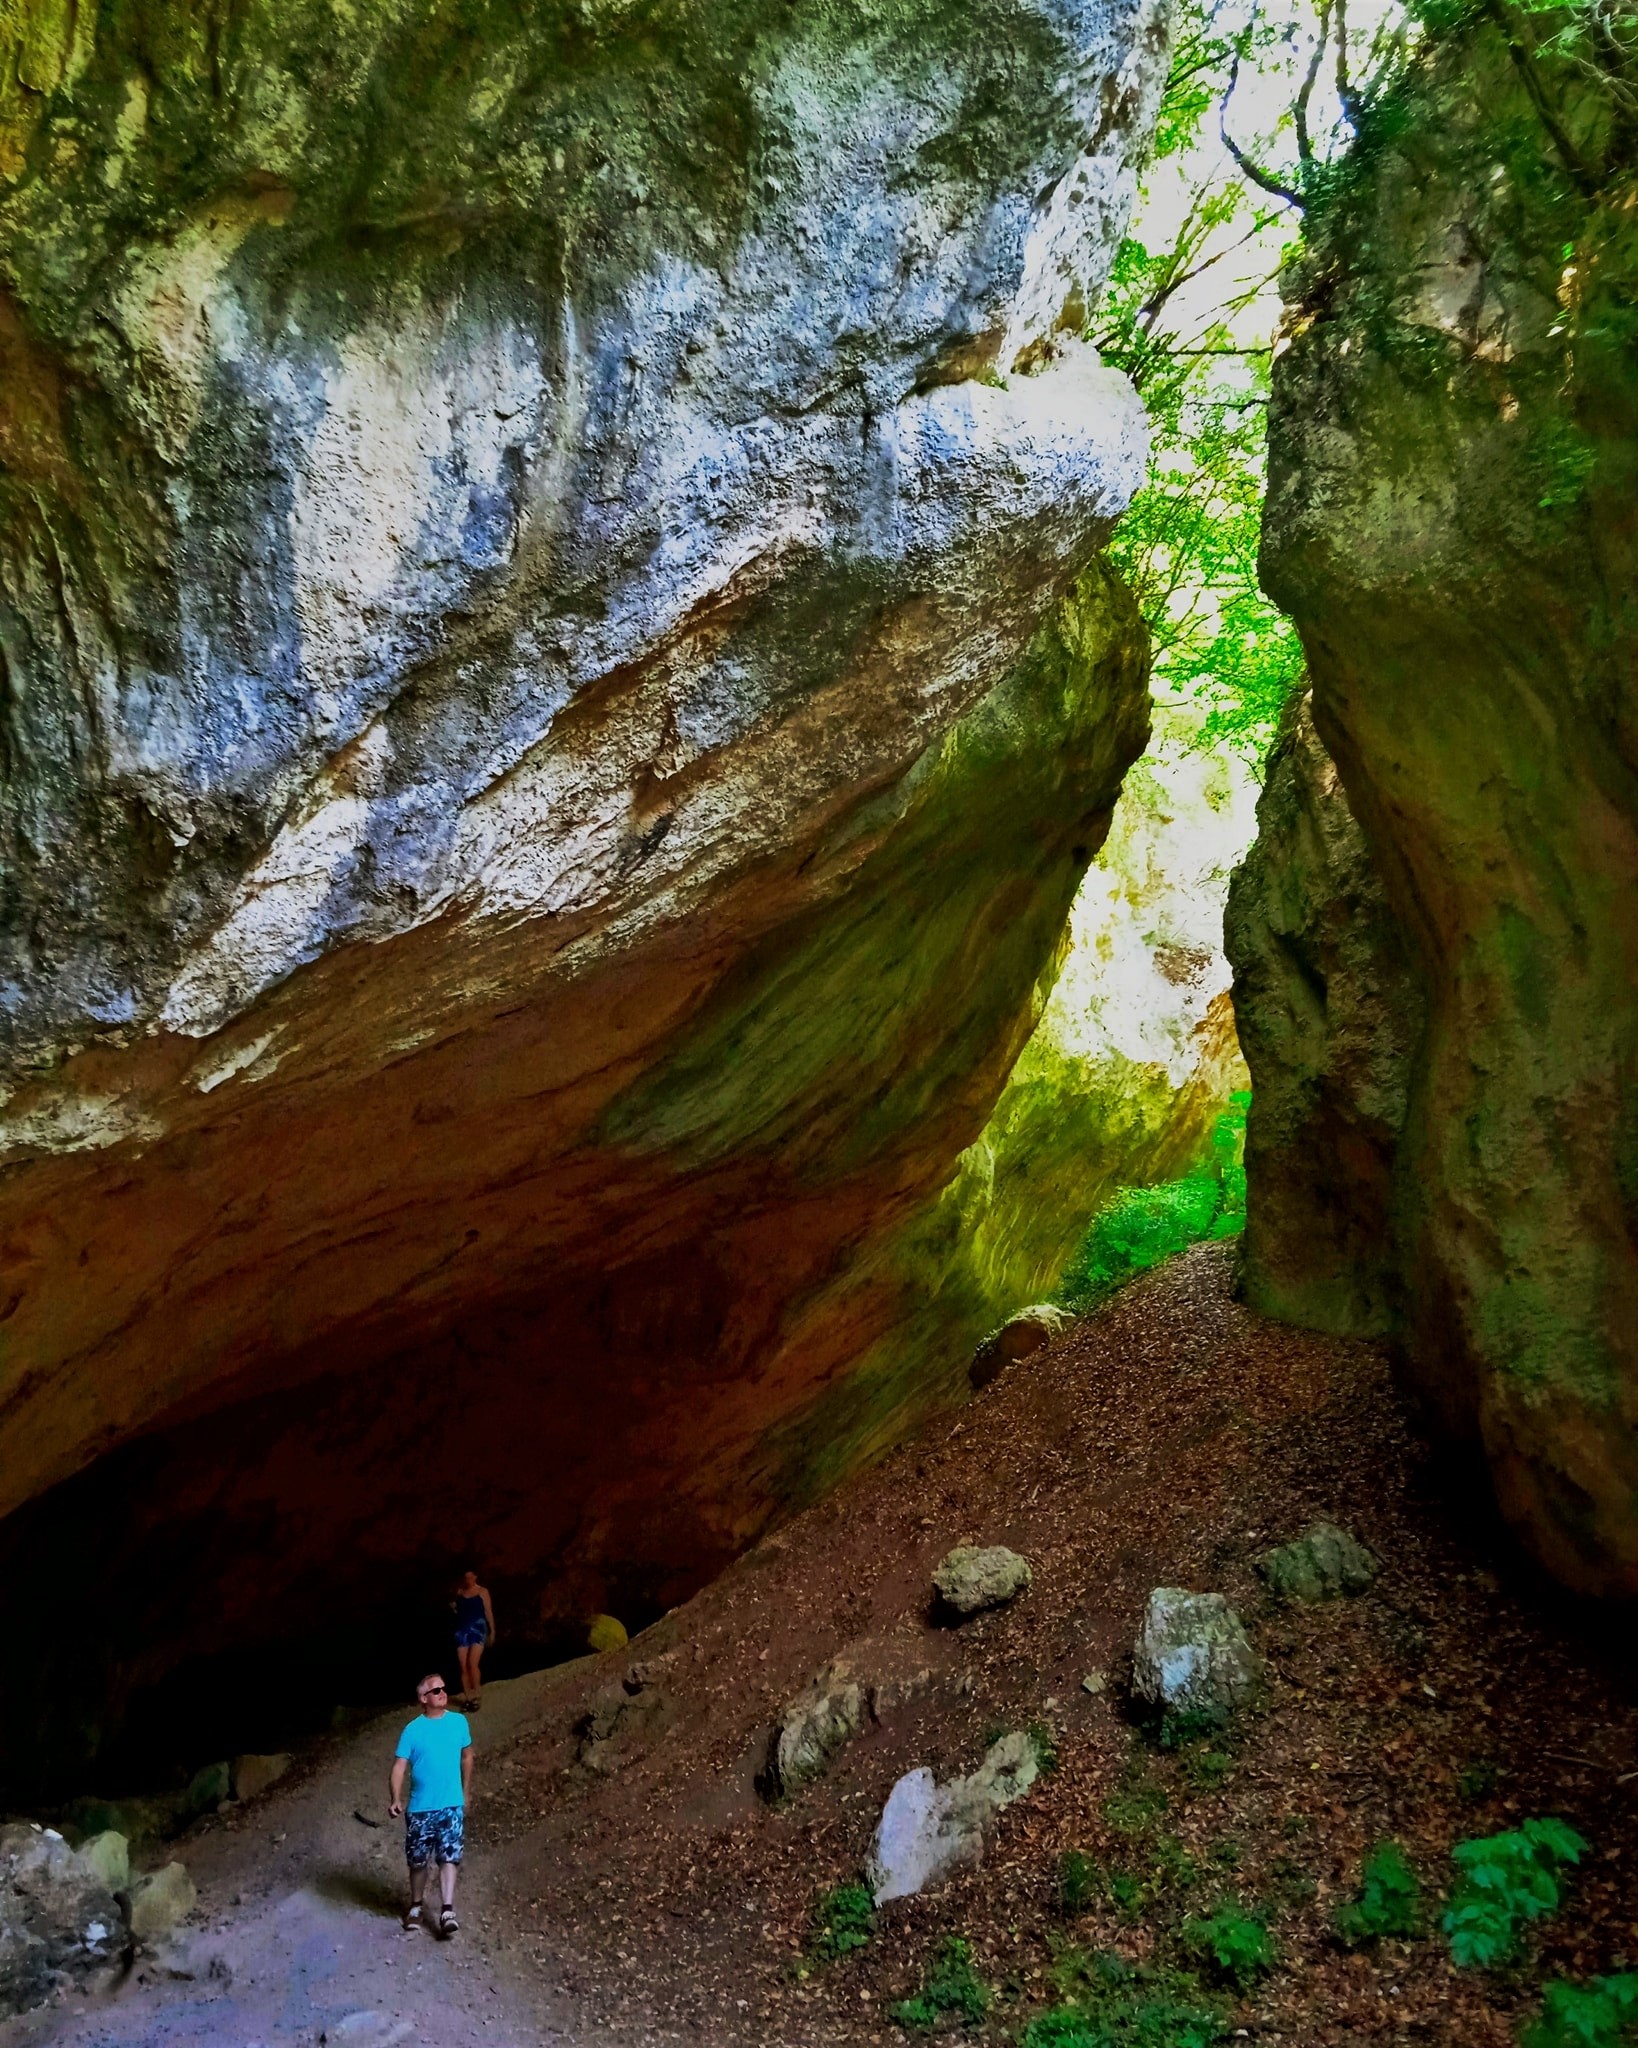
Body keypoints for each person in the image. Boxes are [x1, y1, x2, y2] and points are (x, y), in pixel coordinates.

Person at [388, 1672, 472, 1937]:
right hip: (420, 1808)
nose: (443, 1693)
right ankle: (416, 1905)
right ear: (424, 1698)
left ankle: (447, 1909)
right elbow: (399, 1767)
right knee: (417, 1861)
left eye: (444, 1688)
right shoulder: (412, 1730)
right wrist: (395, 1798)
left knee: (450, 1856)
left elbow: (467, 1756)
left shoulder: (459, 1722)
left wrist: (465, 1791)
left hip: (450, 1804)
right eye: (436, 1691)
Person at [451, 1569, 496, 1710]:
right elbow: (458, 1611)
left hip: (477, 1629)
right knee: (463, 1665)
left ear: (475, 1577)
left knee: (473, 1663)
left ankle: (477, 1694)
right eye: (466, 1577)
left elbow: (488, 1612)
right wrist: (454, 1608)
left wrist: (492, 1631)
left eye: (471, 1577)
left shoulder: (482, 1592)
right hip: (462, 1630)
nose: (468, 1580)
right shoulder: (459, 1593)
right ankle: (468, 1697)